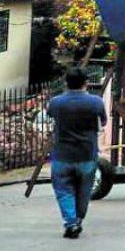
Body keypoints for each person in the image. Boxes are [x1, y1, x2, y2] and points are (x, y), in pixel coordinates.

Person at [46, 67, 106, 239]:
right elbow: (103, 121)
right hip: (87, 153)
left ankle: (71, 222)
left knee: (63, 190)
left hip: (63, 154)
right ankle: (78, 219)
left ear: (66, 83)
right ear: (86, 83)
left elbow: (51, 115)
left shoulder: (56, 102)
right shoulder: (96, 102)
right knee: (84, 190)